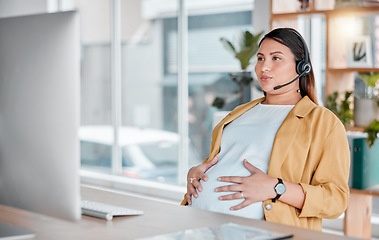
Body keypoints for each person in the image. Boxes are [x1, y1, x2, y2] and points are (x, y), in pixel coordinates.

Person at [181, 27, 350, 231]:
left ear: (301, 67)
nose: (264, 67)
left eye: (276, 58)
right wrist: (196, 172)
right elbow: (224, 162)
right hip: (200, 227)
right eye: (260, 58)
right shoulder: (238, 113)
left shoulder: (323, 122)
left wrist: (276, 188)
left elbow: (336, 200)